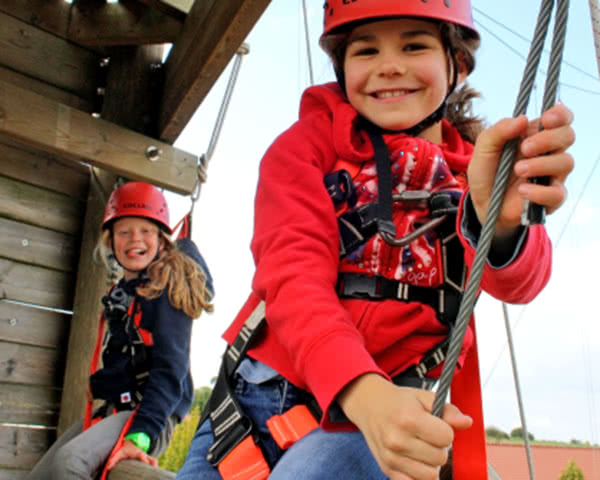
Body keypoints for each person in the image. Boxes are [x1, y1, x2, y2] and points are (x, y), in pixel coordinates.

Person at [176, 1, 575, 479]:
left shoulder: (476, 174)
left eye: (414, 45)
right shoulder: (304, 149)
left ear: (457, 65)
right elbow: (293, 276)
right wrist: (364, 395)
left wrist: (503, 223)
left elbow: (520, 281)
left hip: (390, 407)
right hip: (259, 398)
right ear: (342, 69)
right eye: (366, 50)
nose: (389, 66)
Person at [27, 181, 214, 480]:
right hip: (117, 408)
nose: (134, 239)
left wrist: (140, 435)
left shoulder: (165, 292)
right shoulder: (124, 294)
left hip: (151, 417)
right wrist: (100, 385)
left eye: (145, 231)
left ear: (162, 239)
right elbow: (125, 359)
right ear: (111, 241)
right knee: (41, 474)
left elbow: (171, 370)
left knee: (69, 464)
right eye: (124, 232)